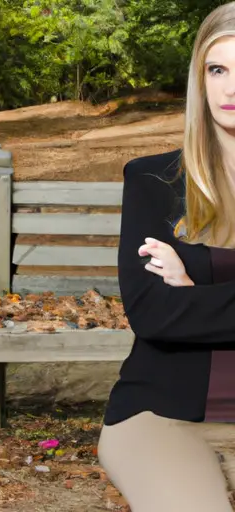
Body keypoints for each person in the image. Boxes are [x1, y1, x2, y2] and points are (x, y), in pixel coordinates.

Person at [97, 3, 235, 511]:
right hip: (163, 414)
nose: (230, 89)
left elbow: (178, 308)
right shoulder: (153, 181)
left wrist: (195, 295)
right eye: (217, 69)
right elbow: (154, 314)